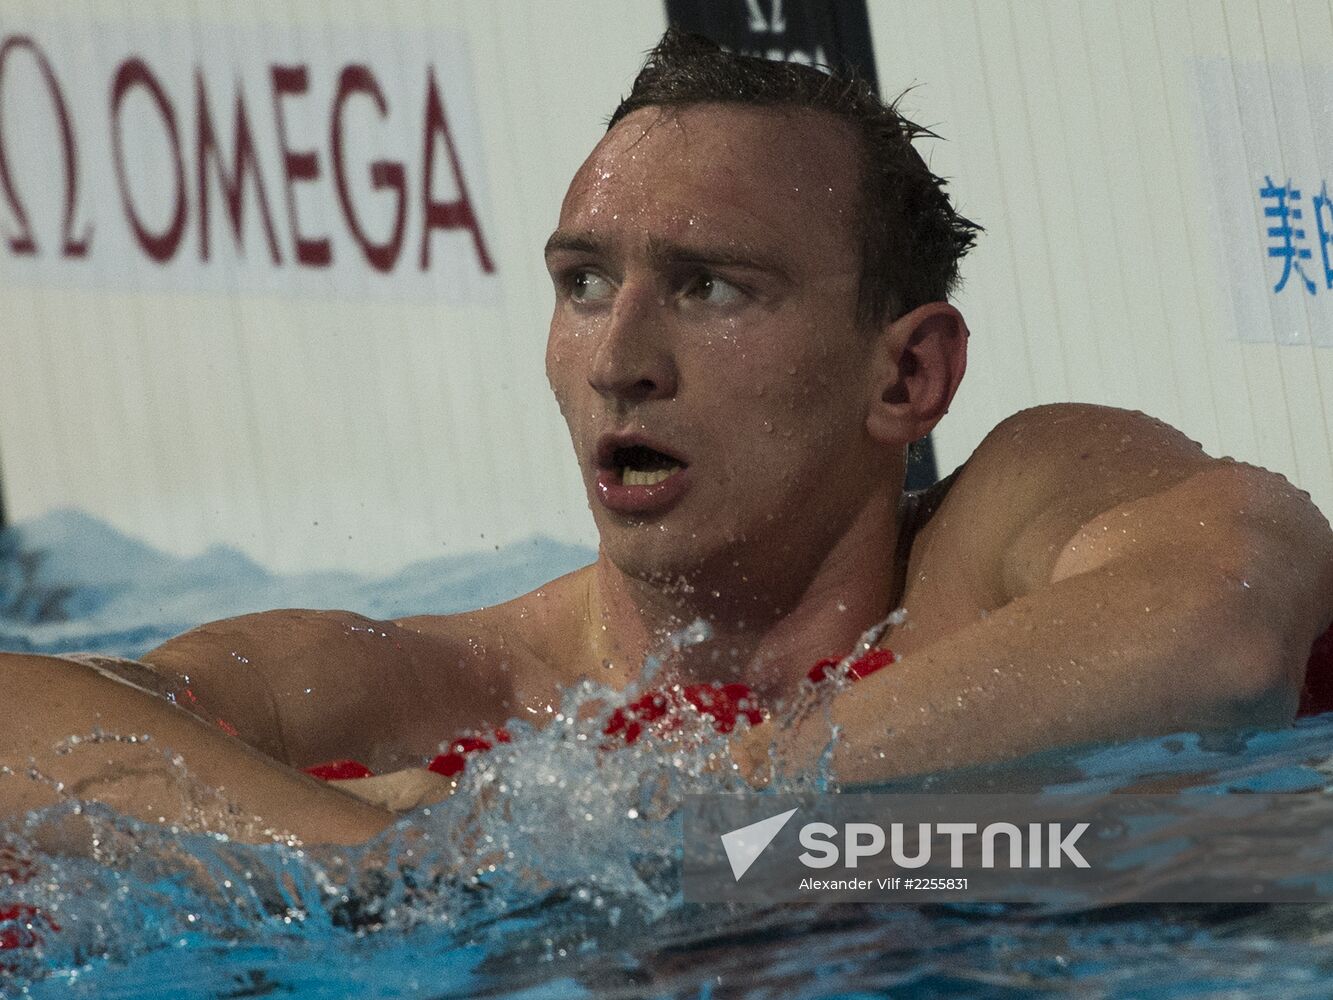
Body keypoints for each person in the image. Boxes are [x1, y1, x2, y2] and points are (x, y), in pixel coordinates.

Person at [2, 30, 1330, 846]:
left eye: (710, 288)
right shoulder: (466, 691)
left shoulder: (1003, 532)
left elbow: (1221, 624)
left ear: (906, 375)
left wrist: (697, 811)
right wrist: (358, 865)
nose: (619, 361)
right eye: (582, 282)